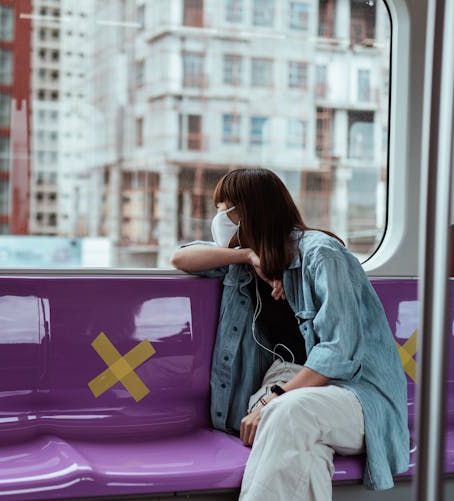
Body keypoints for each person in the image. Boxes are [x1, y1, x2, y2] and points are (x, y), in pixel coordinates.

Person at [170, 168, 409, 501]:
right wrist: (247, 255)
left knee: (288, 413)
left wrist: (273, 399)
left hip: (357, 393)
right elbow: (181, 256)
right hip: (292, 387)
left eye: (226, 208)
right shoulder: (247, 263)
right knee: (304, 450)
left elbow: (341, 352)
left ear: (250, 210)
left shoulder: (321, 254)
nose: (219, 218)